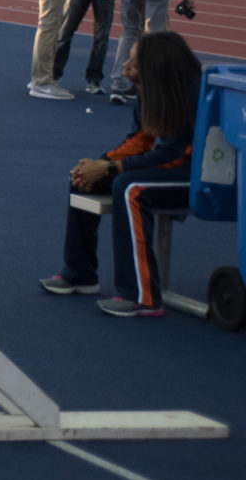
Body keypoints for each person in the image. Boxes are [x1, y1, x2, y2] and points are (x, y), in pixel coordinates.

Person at [42, 30, 201, 316]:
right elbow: (140, 140)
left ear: (156, 69)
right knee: (84, 179)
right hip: (172, 166)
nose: (126, 66)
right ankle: (80, 274)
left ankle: (143, 297)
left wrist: (112, 167)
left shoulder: (190, 94)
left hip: (199, 176)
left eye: (135, 63)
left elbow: (170, 154)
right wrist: (99, 165)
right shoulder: (152, 88)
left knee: (130, 188)